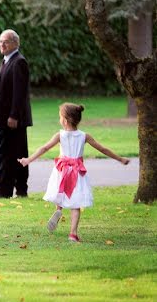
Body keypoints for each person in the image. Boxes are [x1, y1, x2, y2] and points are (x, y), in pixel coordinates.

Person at [19, 103, 129, 243]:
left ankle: (58, 209)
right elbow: (103, 149)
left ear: (65, 120)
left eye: (60, 116)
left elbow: (44, 148)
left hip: (62, 170)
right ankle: (73, 234)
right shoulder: (84, 136)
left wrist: (28, 160)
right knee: (76, 204)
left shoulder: (60, 135)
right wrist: (120, 159)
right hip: (77, 172)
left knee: (60, 192)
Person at [0, 29, 32, 198]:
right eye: (0, 41)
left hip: (13, 119)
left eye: (6, 41)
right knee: (11, 153)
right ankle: (13, 189)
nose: (2, 44)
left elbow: (19, 93)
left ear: (16, 43)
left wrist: (14, 115)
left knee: (13, 153)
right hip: (5, 117)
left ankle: (9, 190)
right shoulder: (6, 61)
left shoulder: (18, 62)